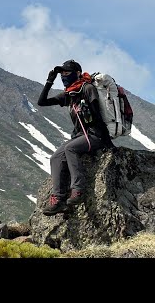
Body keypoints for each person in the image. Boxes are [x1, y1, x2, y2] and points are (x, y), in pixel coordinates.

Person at [37, 59, 115, 216]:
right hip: (81, 135)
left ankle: (78, 189)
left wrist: (107, 142)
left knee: (70, 148)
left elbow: (97, 115)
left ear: (78, 73)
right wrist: (49, 81)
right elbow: (42, 102)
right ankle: (58, 200)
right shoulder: (70, 94)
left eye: (67, 73)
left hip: (95, 134)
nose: (64, 76)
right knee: (55, 157)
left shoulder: (87, 88)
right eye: (62, 73)